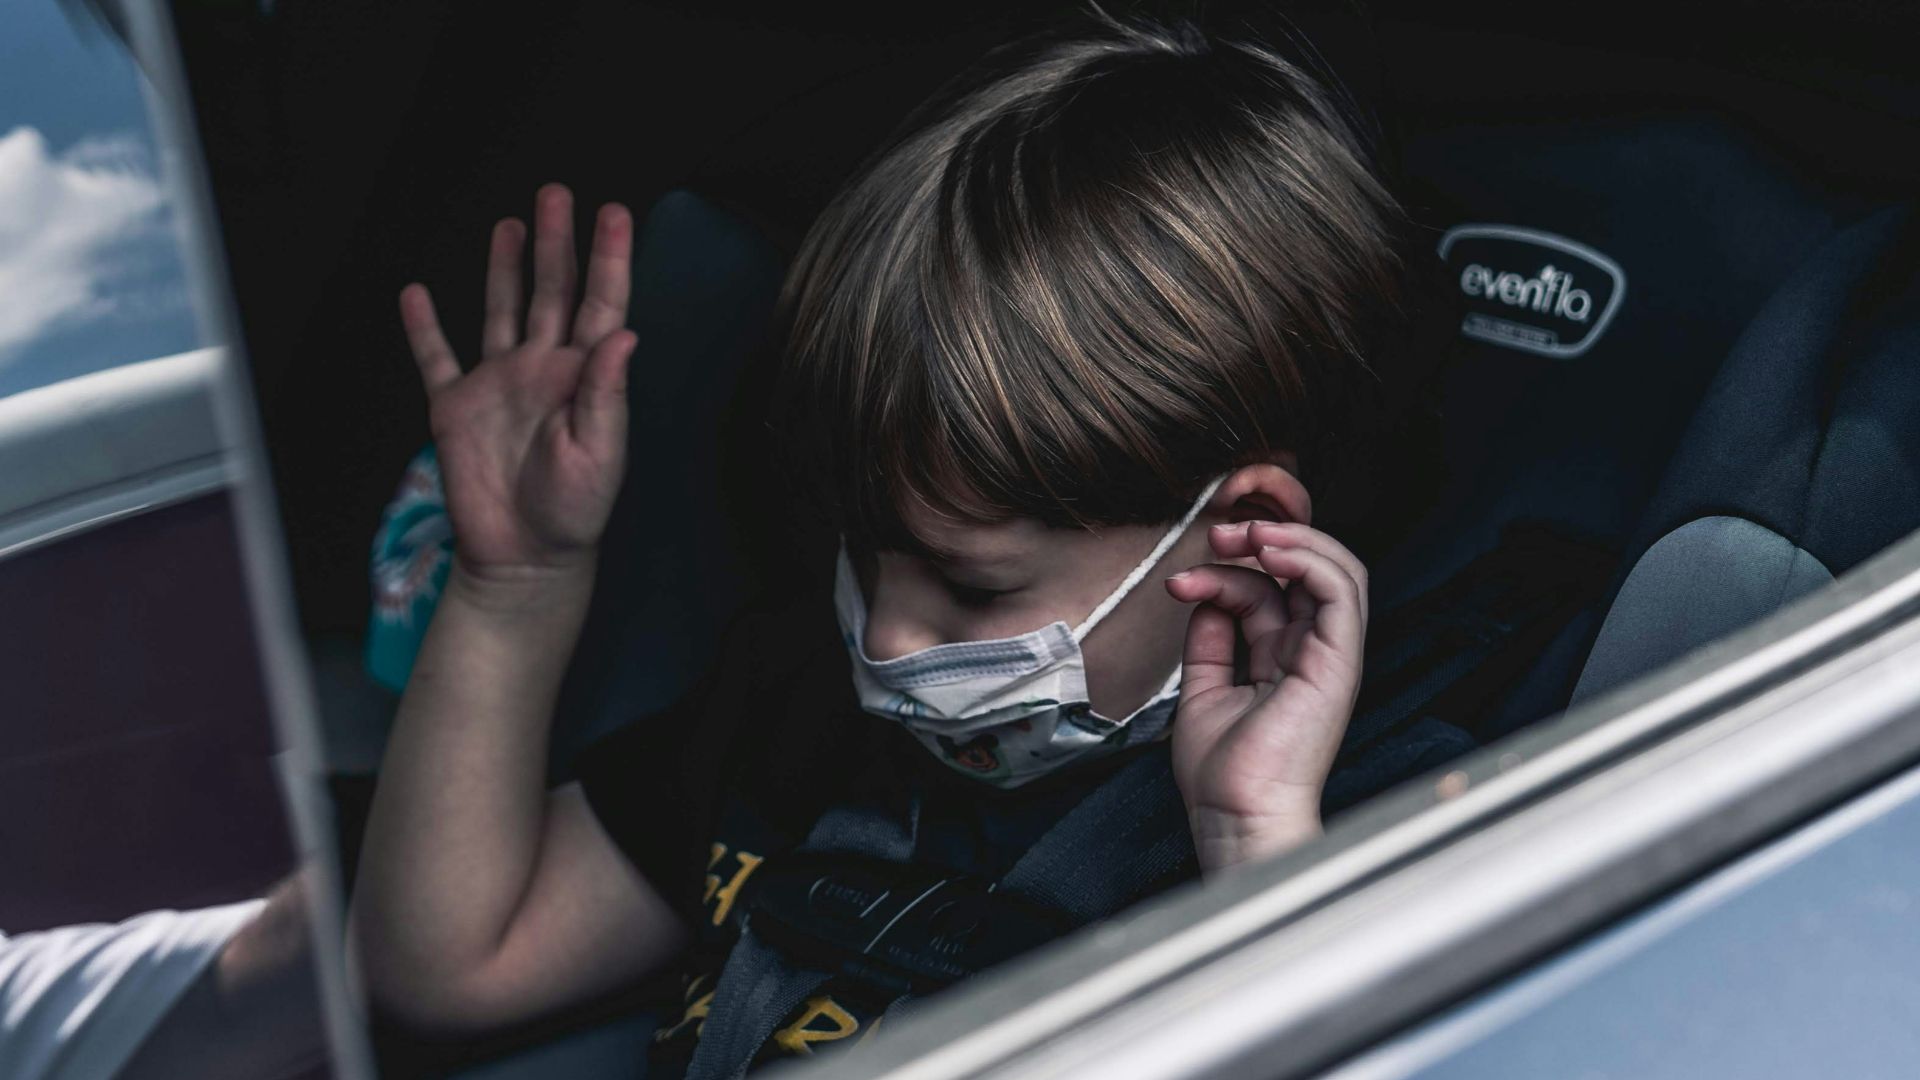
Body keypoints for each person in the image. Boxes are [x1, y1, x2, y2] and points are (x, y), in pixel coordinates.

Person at [350, 4, 1468, 1075]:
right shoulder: (795, 718)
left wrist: (1254, 845)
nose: (881, 636)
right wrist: (518, 587)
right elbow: (453, 963)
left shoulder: (1360, 815)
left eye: (972, 588)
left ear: (1241, 536)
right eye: (866, 546)